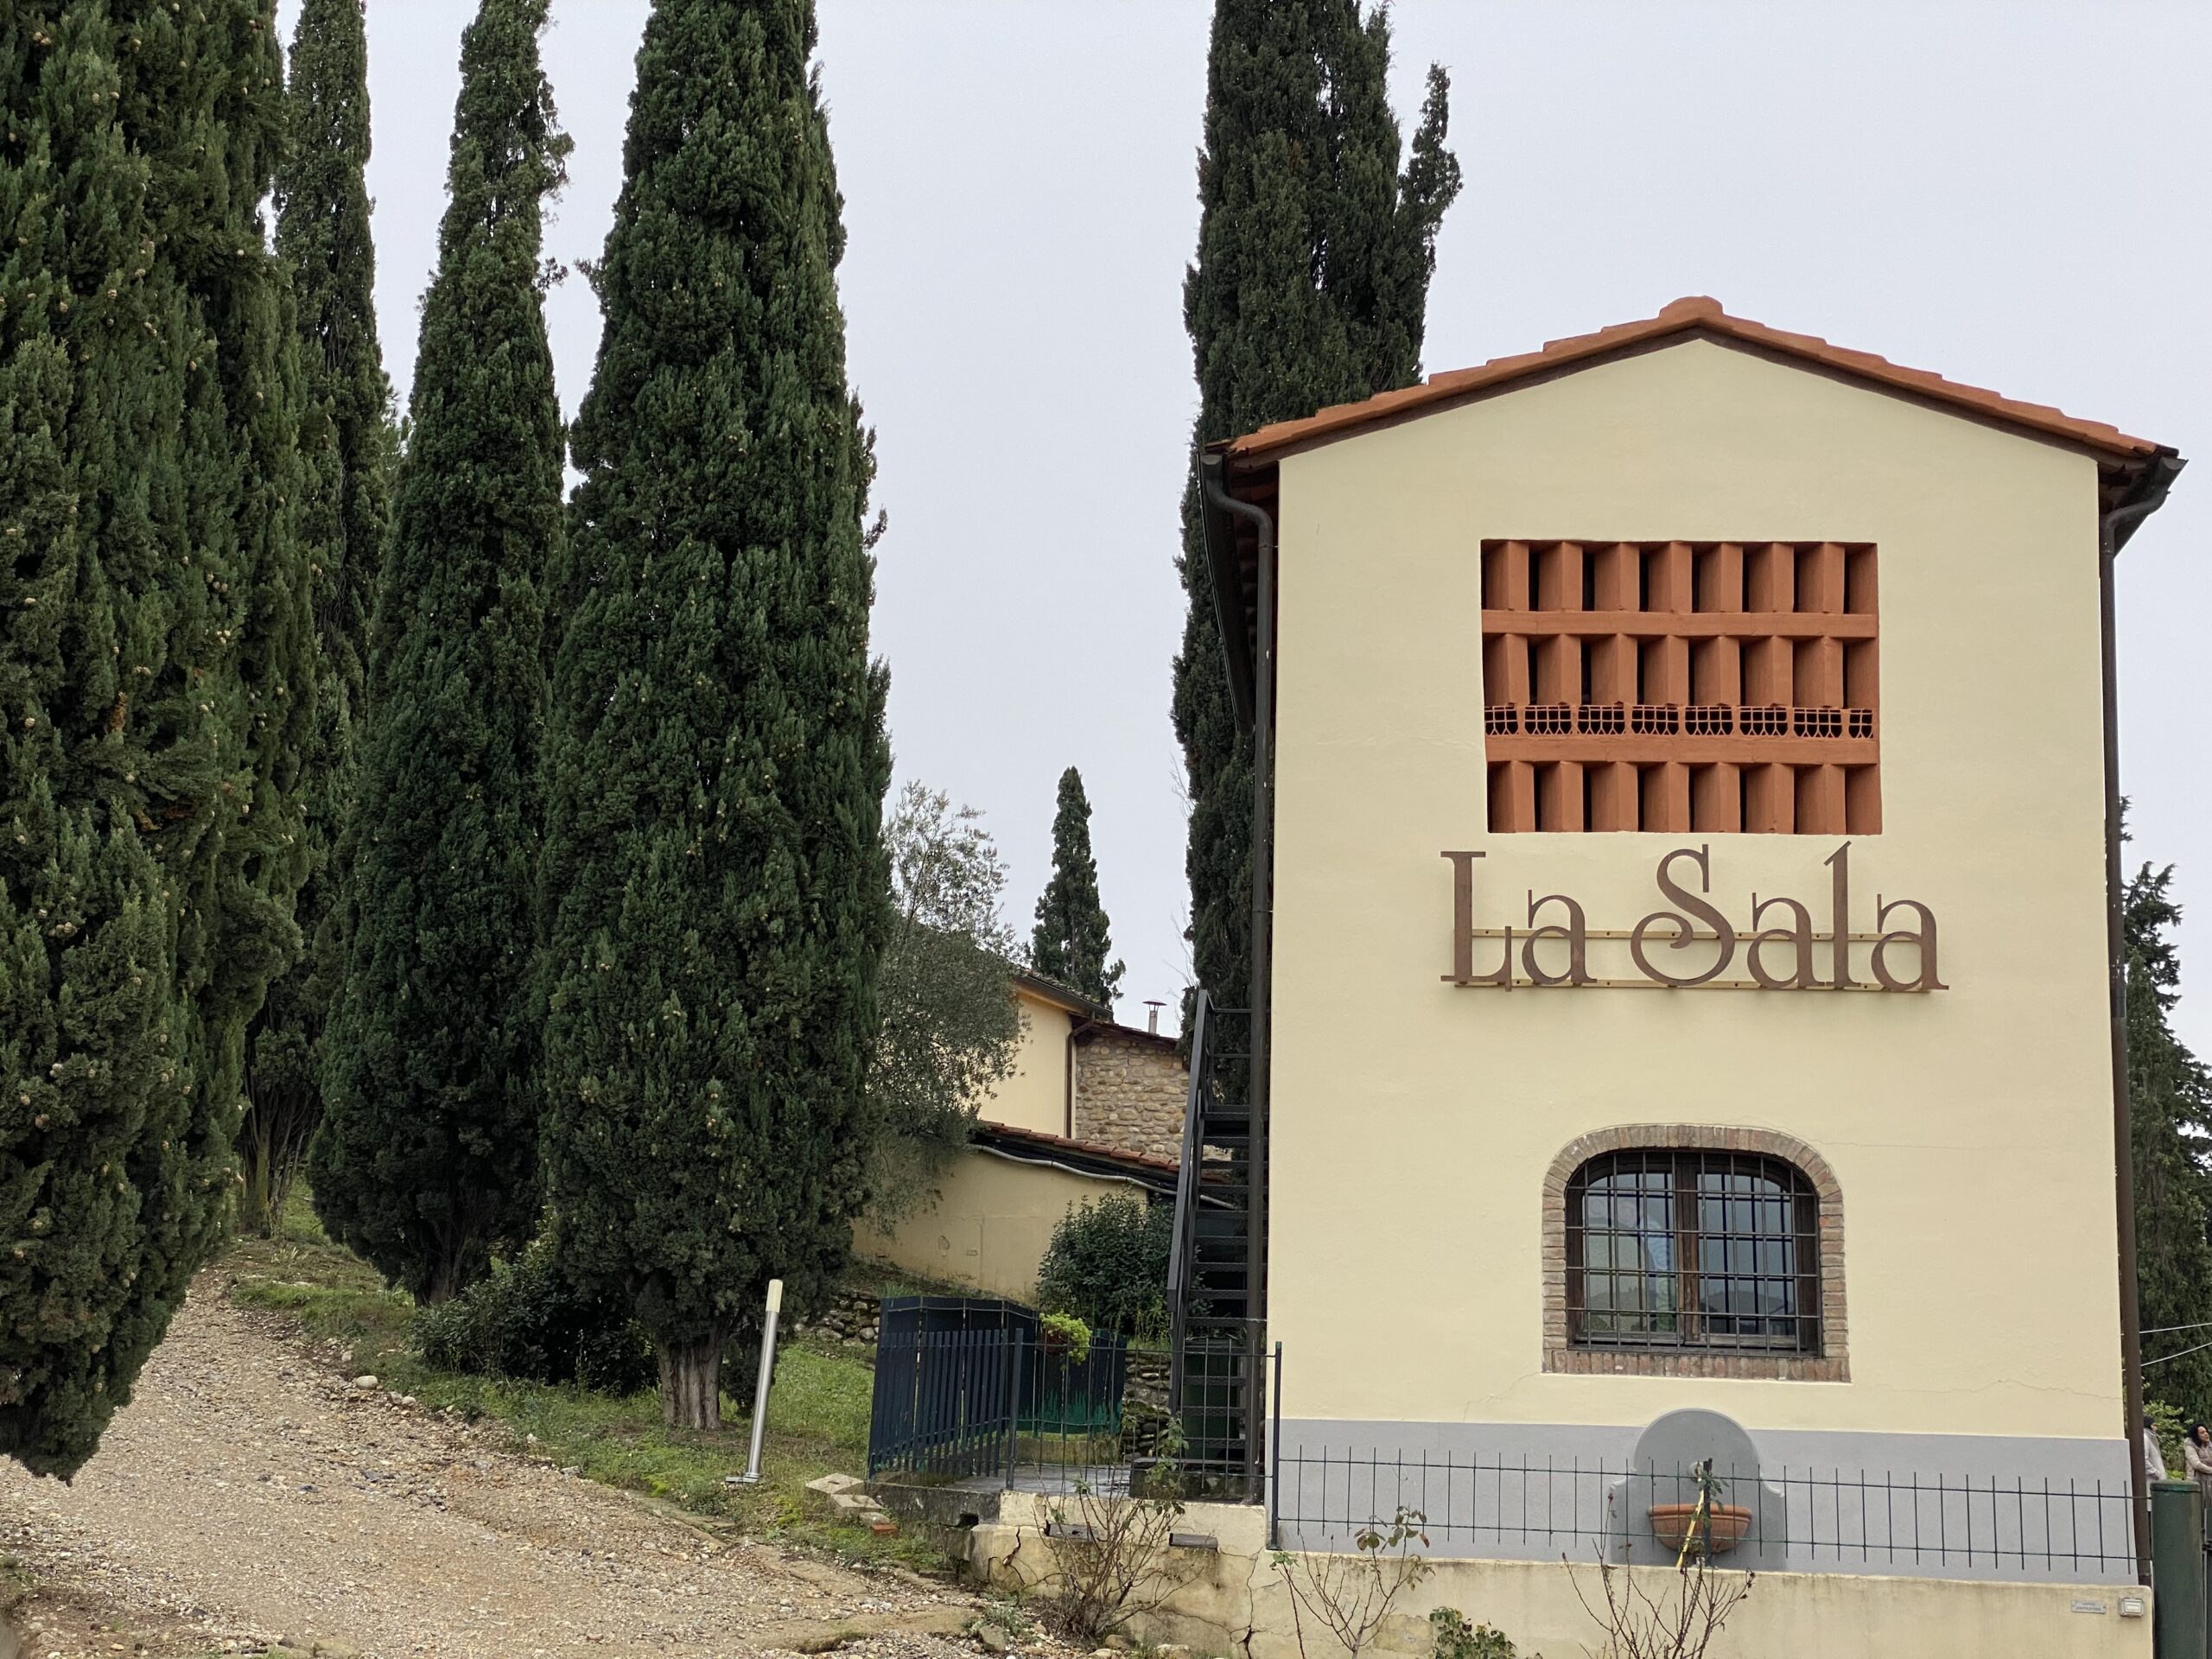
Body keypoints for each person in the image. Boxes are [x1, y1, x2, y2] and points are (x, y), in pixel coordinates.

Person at [2185, 1423, 2212, 1500]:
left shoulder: (2210, 1446)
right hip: (2196, 1482)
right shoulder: (2190, 1446)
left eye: (2206, 1431)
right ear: (2196, 1435)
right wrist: (2211, 1470)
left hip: (2209, 1482)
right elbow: (2196, 1464)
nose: (2206, 1434)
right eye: (2202, 1432)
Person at [2145, 1414, 2169, 1484]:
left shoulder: (2151, 1438)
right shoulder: (2145, 1438)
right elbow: (2144, 1460)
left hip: (2155, 1480)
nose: (2156, 1428)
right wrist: (2156, 1473)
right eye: (2154, 1425)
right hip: (2151, 1480)